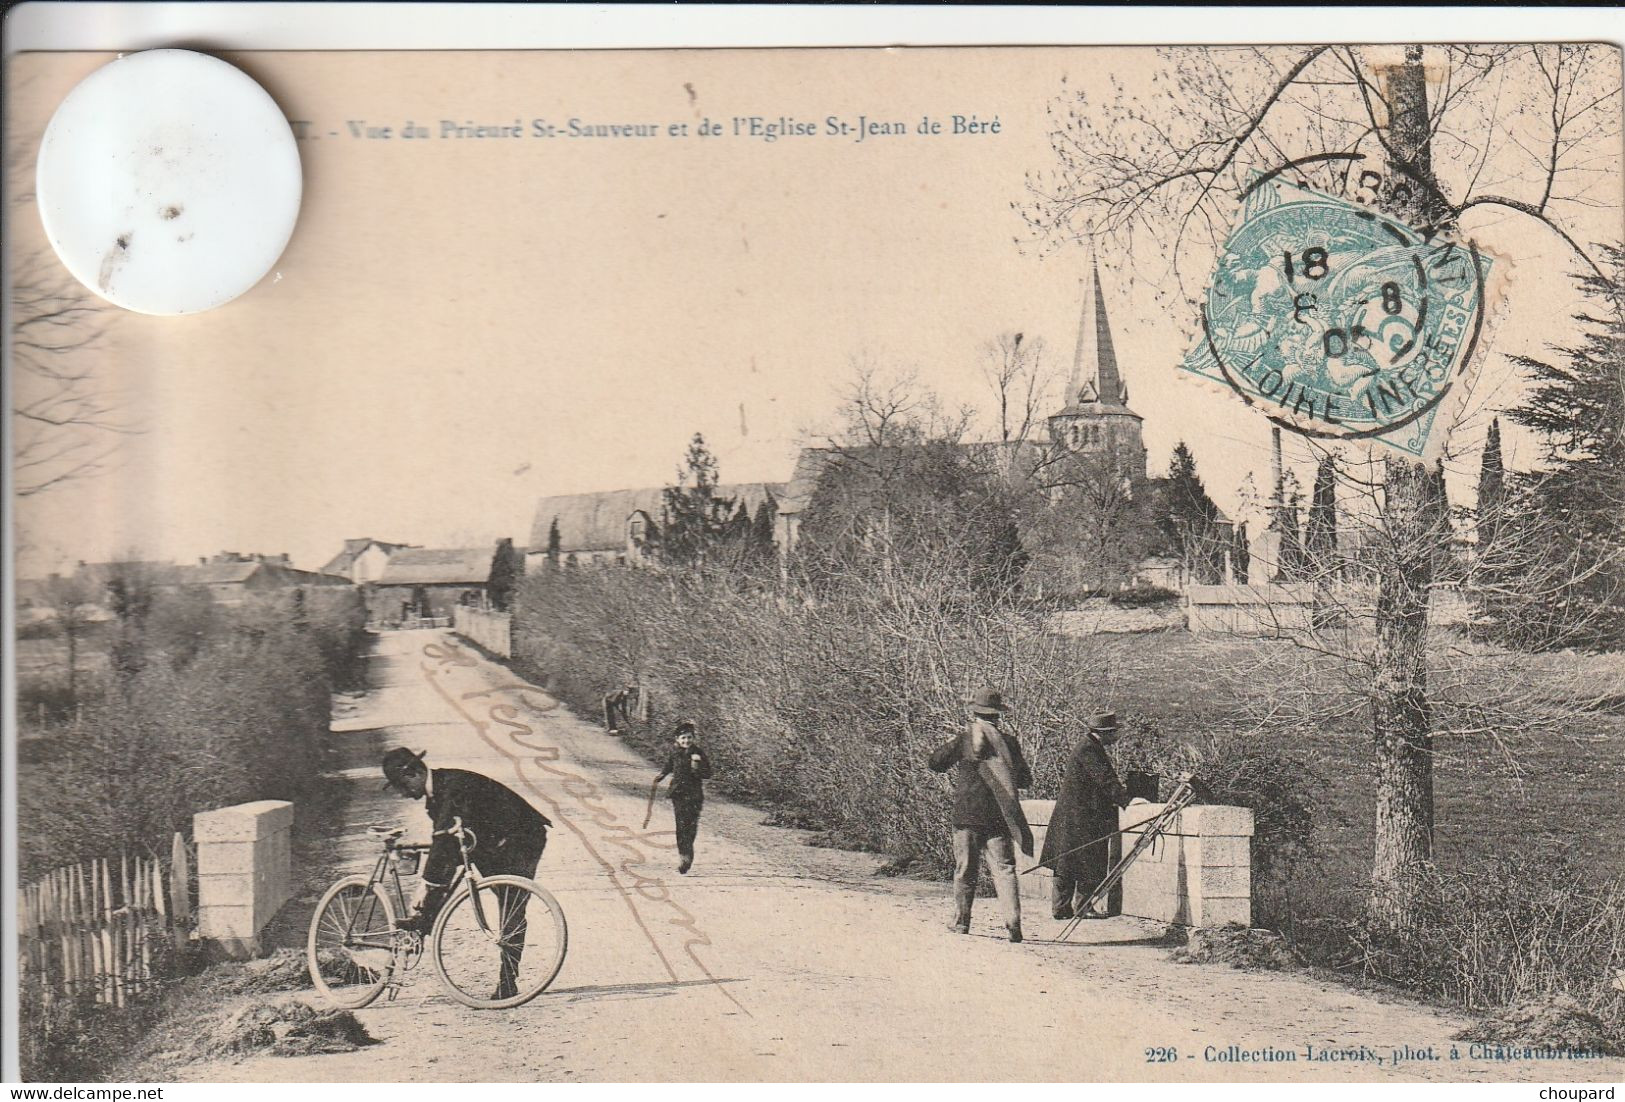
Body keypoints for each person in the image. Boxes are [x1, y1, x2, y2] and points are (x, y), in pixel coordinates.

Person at [381, 747, 552, 1000]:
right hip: (491, 840)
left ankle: (508, 981)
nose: (403, 794)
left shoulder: (452, 787)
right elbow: (446, 843)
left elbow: (442, 837)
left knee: (511, 904)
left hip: (522, 838)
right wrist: (432, 887)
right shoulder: (436, 793)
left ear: (413, 774)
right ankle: (424, 922)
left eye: (401, 786)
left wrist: (424, 884)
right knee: (447, 867)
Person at [927, 688, 1033, 943]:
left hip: (967, 816)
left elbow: (935, 762)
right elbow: (1025, 780)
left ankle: (961, 921)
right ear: (998, 716)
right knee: (1005, 870)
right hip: (998, 817)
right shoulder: (1009, 743)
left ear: (975, 712)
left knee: (965, 869)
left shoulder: (965, 740)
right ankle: (1013, 923)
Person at [1038, 711, 1136, 921]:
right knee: (1082, 862)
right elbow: (1105, 780)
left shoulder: (1089, 746)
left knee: (1069, 862)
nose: (1117, 736)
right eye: (1114, 732)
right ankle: (1078, 908)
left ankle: (1066, 908)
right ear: (1105, 733)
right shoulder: (1089, 750)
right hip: (1080, 818)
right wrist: (1127, 801)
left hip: (1077, 816)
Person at [653, 721, 713, 874]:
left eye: (689, 737)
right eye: (683, 738)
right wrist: (661, 775)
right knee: (681, 826)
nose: (686, 741)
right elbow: (668, 765)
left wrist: (696, 766)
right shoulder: (674, 752)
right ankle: (683, 857)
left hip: (694, 795)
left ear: (693, 738)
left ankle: (688, 853)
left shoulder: (698, 753)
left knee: (691, 826)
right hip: (678, 794)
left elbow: (708, 773)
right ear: (677, 740)